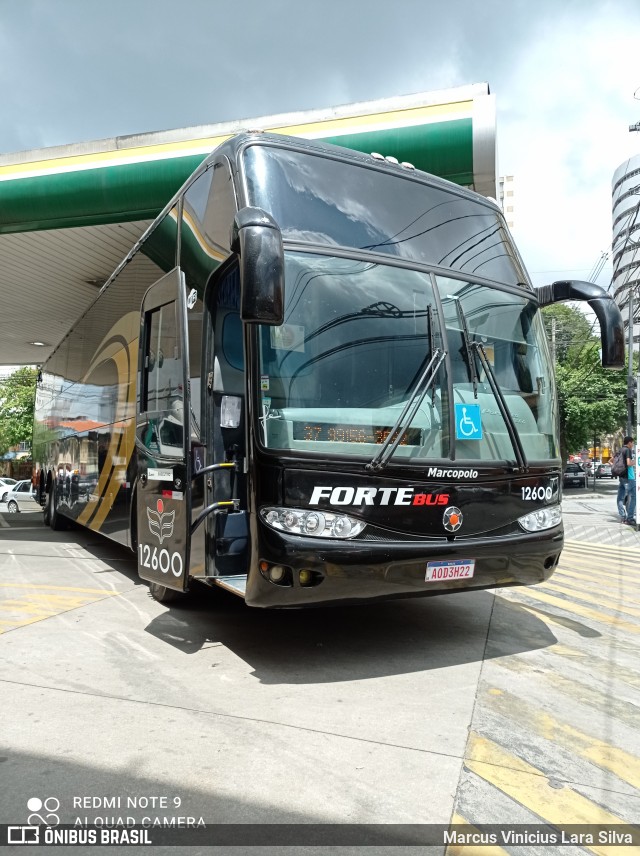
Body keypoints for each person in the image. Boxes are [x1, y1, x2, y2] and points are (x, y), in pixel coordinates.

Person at [616, 436, 636, 525]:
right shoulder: (627, 450)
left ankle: (622, 517)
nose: (633, 445)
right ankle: (630, 518)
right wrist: (636, 461)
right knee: (632, 497)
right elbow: (628, 463)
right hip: (629, 477)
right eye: (632, 443)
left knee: (620, 497)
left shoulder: (620, 450)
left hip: (621, 477)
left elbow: (611, 460)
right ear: (629, 443)